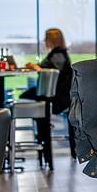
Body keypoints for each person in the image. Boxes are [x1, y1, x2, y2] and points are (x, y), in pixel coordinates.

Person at [22, 28, 74, 165]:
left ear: (51, 40)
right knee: (30, 94)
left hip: (57, 97)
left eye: (46, 38)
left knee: (27, 95)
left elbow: (53, 72)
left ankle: (42, 129)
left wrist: (39, 69)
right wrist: (38, 67)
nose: (44, 41)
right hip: (60, 95)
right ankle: (42, 130)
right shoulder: (59, 54)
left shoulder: (57, 55)